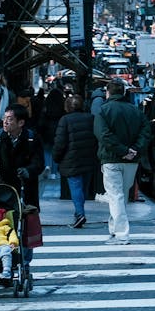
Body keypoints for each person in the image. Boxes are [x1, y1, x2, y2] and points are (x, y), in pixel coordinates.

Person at [0, 103, 44, 274]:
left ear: (20, 123)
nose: (5, 122)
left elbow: (39, 163)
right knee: (3, 223)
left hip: (26, 187)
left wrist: (29, 171)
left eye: (9, 119)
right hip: (4, 189)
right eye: (4, 119)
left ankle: (24, 262)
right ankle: (1, 261)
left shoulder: (31, 138)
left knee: (25, 225)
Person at [93, 79, 150, 245]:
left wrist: (123, 151)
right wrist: (133, 150)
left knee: (116, 196)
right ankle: (114, 228)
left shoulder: (103, 111)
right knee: (121, 196)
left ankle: (121, 233)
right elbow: (146, 133)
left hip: (111, 159)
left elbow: (103, 135)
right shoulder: (136, 111)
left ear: (107, 92)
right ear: (124, 92)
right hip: (132, 160)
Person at [53, 94, 98, 229]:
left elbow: (60, 142)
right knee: (83, 188)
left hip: (71, 159)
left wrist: (56, 157)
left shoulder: (65, 120)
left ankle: (79, 214)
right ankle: (79, 212)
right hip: (88, 157)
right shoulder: (91, 118)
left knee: (76, 187)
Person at [39, 85, 66, 179]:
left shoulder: (46, 104)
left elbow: (42, 118)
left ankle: (47, 165)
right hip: (58, 130)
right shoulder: (62, 104)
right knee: (56, 151)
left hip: (47, 130)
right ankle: (54, 173)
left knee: (47, 150)